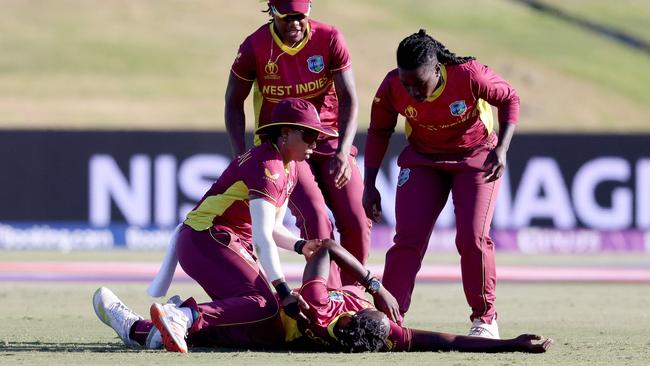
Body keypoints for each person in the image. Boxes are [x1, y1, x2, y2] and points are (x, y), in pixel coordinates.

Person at [93, 97, 337, 353]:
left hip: (219, 242)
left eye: (317, 136)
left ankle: (139, 329)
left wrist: (300, 245)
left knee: (265, 329)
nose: (315, 143)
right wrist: (284, 289)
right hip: (206, 237)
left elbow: (273, 228)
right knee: (265, 305)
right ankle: (183, 315)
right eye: (310, 135)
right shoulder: (268, 167)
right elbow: (262, 239)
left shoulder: (291, 168)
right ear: (285, 133)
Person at [93, 239, 553, 354]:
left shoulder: (323, 301)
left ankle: (148, 322)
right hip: (270, 333)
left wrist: (373, 284)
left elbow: (327, 246)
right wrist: (507, 343)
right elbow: (448, 341)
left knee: (252, 310)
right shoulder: (384, 335)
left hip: (262, 331)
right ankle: (173, 319)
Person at [362, 29, 521, 339]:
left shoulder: (469, 75)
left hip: (475, 158)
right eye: (407, 85)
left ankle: (485, 320)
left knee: (472, 238)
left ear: (437, 69)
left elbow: (510, 99)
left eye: (419, 85)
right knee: (407, 239)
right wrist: (369, 184)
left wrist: (501, 149)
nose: (412, 93)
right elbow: (379, 130)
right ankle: (389, 321)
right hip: (423, 160)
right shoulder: (393, 85)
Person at [225, 0, 371, 287]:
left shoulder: (329, 38)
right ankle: (329, 297)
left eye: (300, 16)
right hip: (282, 146)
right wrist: (241, 158)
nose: (294, 23)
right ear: (272, 12)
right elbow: (233, 102)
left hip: (329, 140)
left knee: (356, 217)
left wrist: (344, 150)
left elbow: (349, 98)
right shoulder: (254, 46)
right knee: (316, 217)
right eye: (286, 17)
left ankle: (354, 296)